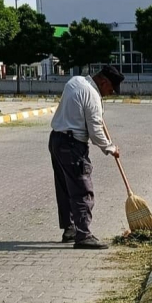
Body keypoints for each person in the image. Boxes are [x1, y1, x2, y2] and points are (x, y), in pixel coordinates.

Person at [49, 65, 125, 249]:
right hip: (72, 145)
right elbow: (95, 131)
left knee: (65, 188)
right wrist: (111, 148)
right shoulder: (92, 95)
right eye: (110, 89)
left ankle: (70, 228)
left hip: (56, 140)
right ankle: (83, 235)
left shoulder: (75, 81)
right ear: (103, 81)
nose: (110, 93)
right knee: (82, 189)